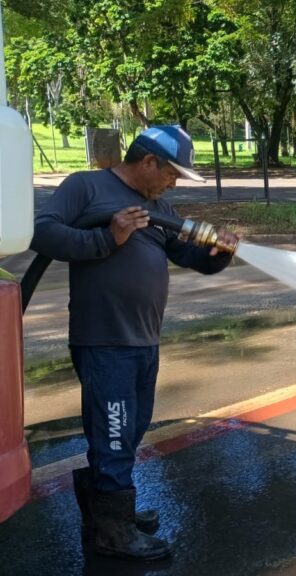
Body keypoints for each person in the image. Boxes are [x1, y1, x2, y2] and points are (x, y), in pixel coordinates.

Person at [31, 125, 239, 561]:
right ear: (148, 161)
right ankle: (113, 533)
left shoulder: (158, 207)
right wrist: (108, 237)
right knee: (113, 432)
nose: (174, 184)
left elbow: (187, 256)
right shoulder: (86, 187)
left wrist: (218, 254)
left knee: (128, 430)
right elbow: (43, 233)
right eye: (172, 174)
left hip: (143, 339)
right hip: (104, 339)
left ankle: (107, 514)